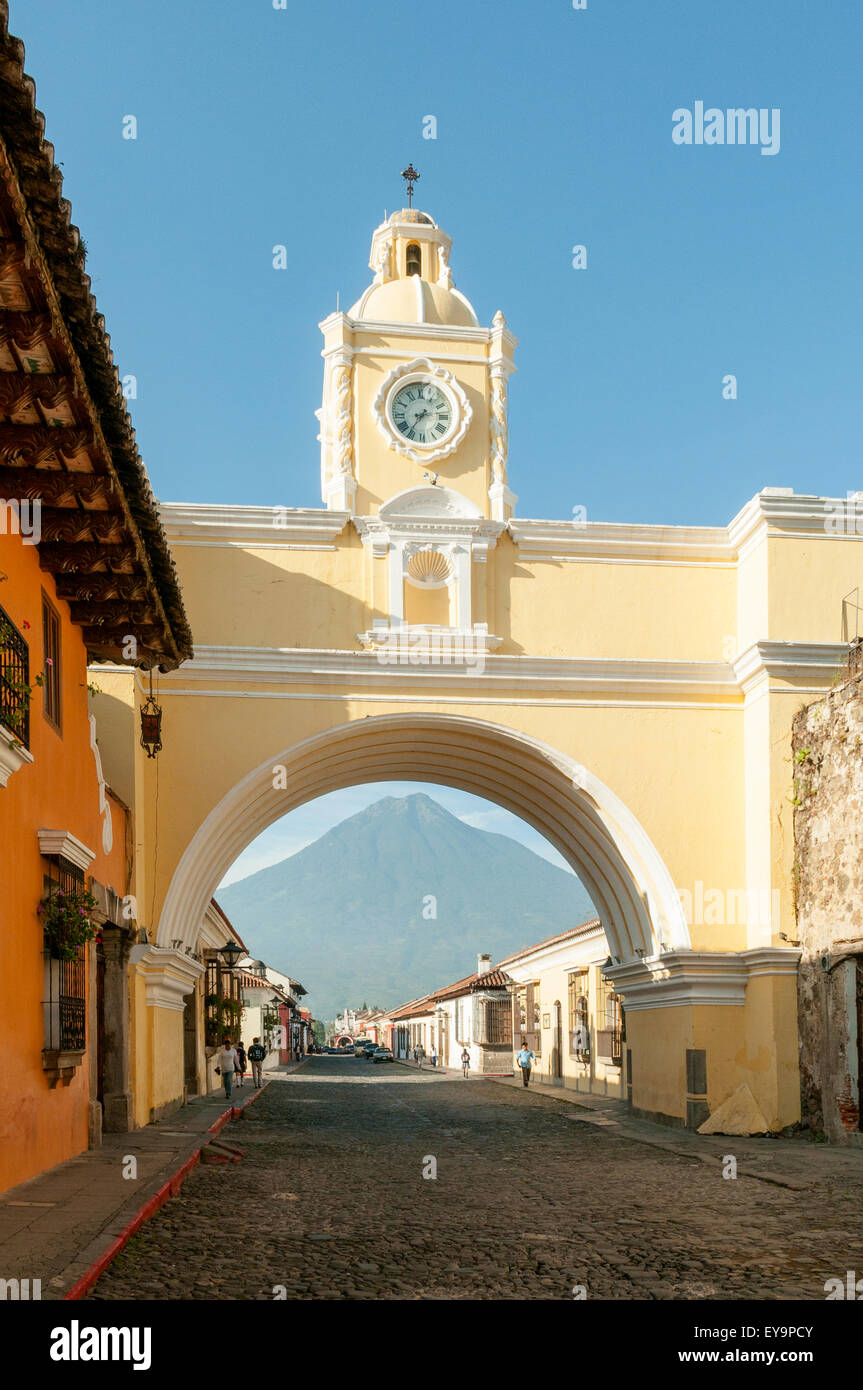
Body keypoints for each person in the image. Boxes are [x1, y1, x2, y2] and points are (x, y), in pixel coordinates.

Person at [216, 1036, 239, 1101]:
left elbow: (236, 1060)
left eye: (228, 1045)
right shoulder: (222, 1051)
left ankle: (228, 1093)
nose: (227, 1046)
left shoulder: (233, 1051)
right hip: (224, 1069)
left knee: (229, 1080)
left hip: (231, 1068)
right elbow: (219, 1059)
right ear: (225, 1045)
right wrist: (218, 1066)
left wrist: (239, 1067)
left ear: (230, 1045)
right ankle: (227, 1091)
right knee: (225, 1082)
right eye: (226, 1045)